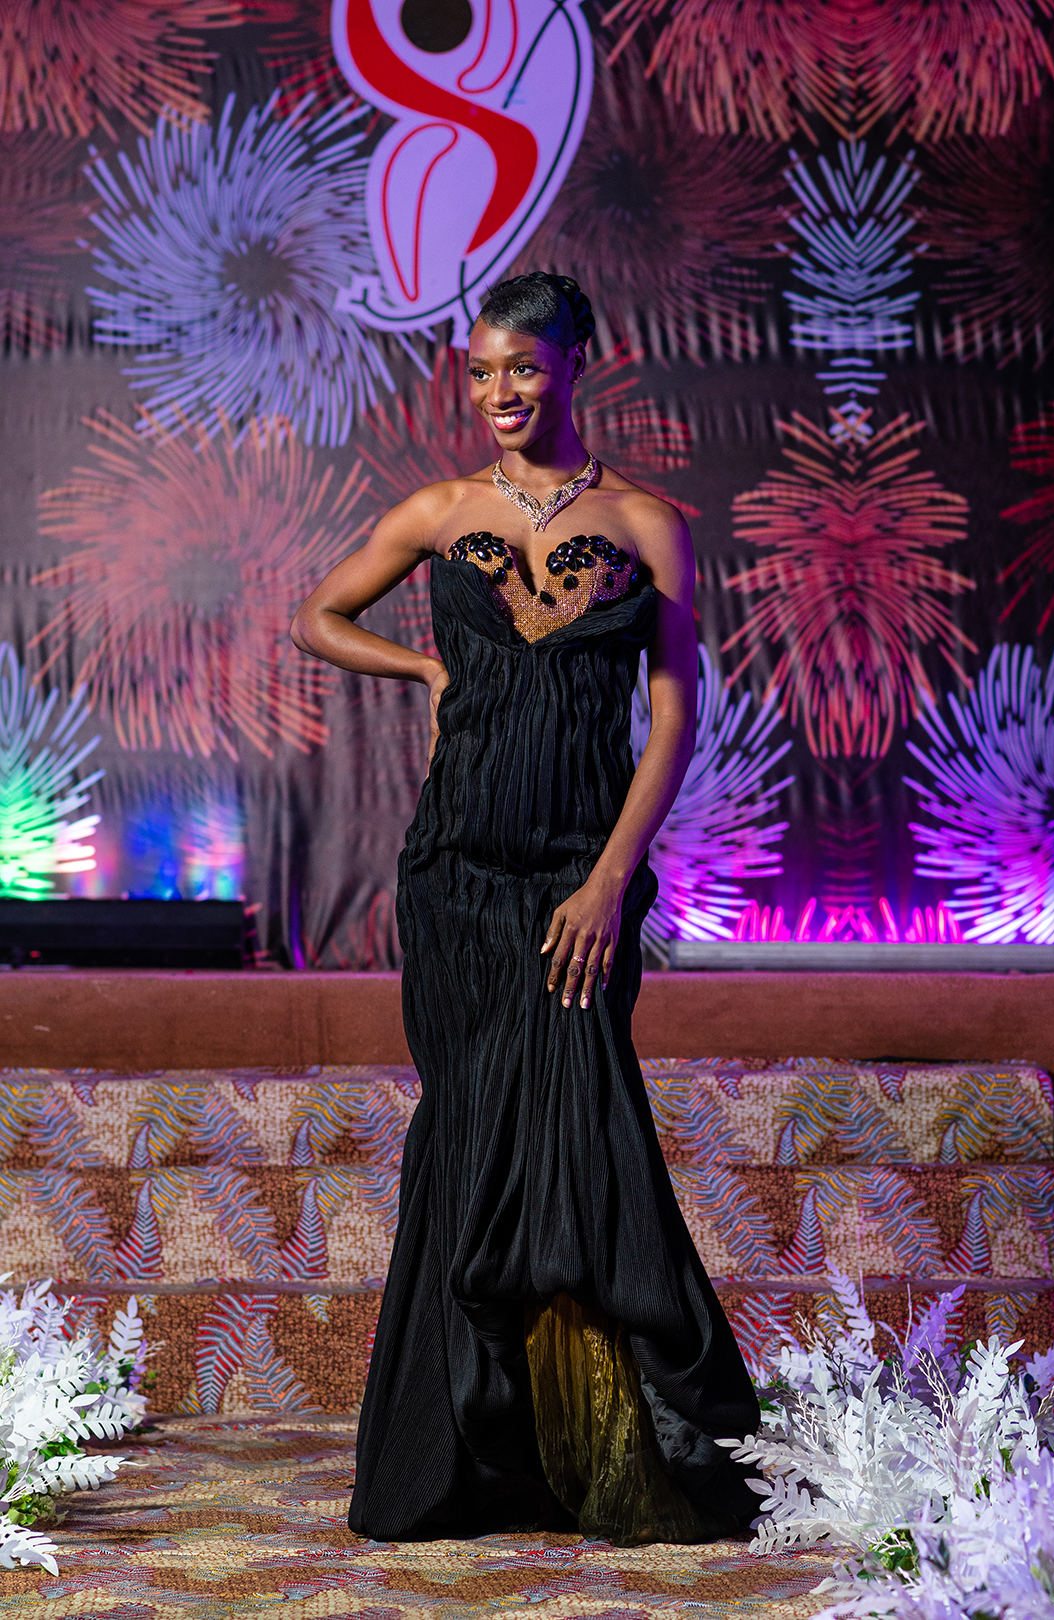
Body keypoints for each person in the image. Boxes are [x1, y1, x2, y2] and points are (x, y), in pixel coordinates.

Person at [291, 272, 760, 1545]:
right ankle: (463, 1458)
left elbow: (673, 717)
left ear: (574, 366)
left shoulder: (649, 522)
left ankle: (631, 1452)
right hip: (455, 876)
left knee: (584, 1136)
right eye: (484, 370)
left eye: (525, 369)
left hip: (577, 875)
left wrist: (608, 880)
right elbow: (318, 616)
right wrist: (421, 665)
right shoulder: (440, 512)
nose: (501, 392)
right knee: (474, 1134)